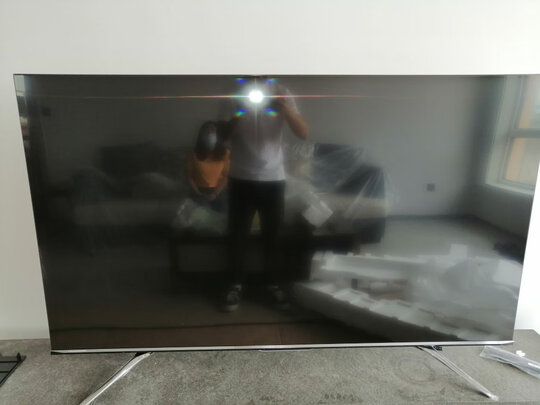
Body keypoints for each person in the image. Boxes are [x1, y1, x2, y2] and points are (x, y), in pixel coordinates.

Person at [221, 77, 309, 311]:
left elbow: (303, 132)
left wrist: (285, 108)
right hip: (240, 177)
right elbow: (222, 136)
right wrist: (240, 110)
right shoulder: (234, 94)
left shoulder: (282, 91)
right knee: (237, 235)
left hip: (273, 178)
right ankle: (234, 285)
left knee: (273, 235)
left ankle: (273, 284)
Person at [186, 121, 230, 213]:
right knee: (202, 214)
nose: (210, 135)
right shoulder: (193, 153)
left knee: (222, 214)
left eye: (213, 132)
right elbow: (189, 176)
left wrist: (215, 193)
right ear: (202, 135)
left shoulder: (225, 153)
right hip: (199, 191)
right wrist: (198, 193)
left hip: (218, 191)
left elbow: (226, 176)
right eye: (207, 132)